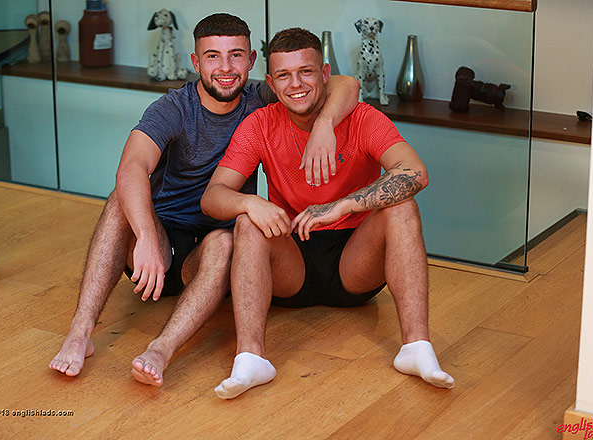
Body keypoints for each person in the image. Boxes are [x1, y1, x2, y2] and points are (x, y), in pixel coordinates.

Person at [48, 14, 360, 387]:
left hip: (214, 249)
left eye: (236, 55)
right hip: (158, 247)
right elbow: (131, 168)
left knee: (224, 242)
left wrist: (324, 125)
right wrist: (145, 236)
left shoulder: (262, 96)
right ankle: (80, 333)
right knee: (119, 200)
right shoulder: (173, 108)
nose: (225, 68)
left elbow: (346, 83)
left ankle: (160, 350)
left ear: (251, 61)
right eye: (213, 56)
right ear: (196, 62)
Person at [201, 27, 455, 399]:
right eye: (284, 75)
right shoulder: (260, 124)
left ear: (325, 74)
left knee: (403, 206)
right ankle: (250, 359)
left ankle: (416, 349)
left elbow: (415, 173)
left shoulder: (363, 118)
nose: (295, 84)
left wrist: (344, 205)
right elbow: (213, 196)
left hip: (356, 261)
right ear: (271, 83)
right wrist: (249, 202)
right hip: (292, 261)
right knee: (246, 221)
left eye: (305, 72)